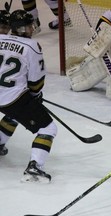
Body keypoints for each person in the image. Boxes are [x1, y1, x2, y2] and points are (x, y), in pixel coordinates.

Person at [0, 9, 57, 183]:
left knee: (15, 115)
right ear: (23, 28)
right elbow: (36, 82)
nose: (32, 29)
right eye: (29, 26)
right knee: (48, 129)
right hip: (12, 97)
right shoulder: (32, 46)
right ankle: (35, 167)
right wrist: (34, 96)